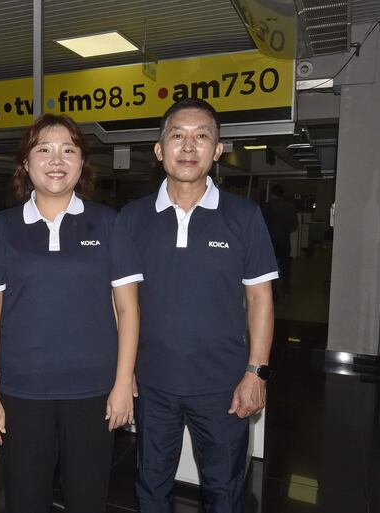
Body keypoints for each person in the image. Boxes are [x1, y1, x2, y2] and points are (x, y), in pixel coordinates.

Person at [0, 114, 142, 513]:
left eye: (68, 150)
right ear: (26, 162)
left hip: (92, 390)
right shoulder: (0, 228)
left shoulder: (109, 223)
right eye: (44, 150)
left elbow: (128, 309)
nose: (56, 160)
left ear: (82, 162)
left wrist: (123, 383)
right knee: (25, 498)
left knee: (87, 498)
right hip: (21, 390)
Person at [118, 99, 277, 513]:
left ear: (217, 150)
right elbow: (120, 303)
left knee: (225, 491)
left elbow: (260, 298)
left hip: (224, 385)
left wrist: (256, 372)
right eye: (177, 135)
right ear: (159, 149)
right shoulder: (131, 219)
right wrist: (124, 371)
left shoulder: (244, 216)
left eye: (201, 136)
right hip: (151, 382)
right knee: (151, 487)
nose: (189, 146)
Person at [261, 184, 298, 296]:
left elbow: (261, 225)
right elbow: (294, 226)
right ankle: (285, 289)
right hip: (284, 239)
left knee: (271, 267)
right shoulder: (290, 207)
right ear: (282, 194)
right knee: (285, 265)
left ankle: (273, 291)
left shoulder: (265, 207)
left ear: (271, 194)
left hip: (270, 241)